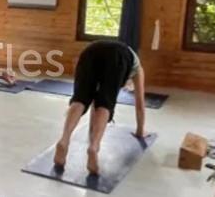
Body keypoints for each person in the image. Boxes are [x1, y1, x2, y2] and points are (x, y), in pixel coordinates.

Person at [53, 38, 147, 175]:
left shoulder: (120, 55)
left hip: (90, 50)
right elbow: (140, 102)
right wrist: (140, 131)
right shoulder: (137, 68)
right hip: (117, 56)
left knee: (80, 98)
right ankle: (94, 147)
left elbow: (92, 99)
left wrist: (92, 127)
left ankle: (64, 139)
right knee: (105, 102)